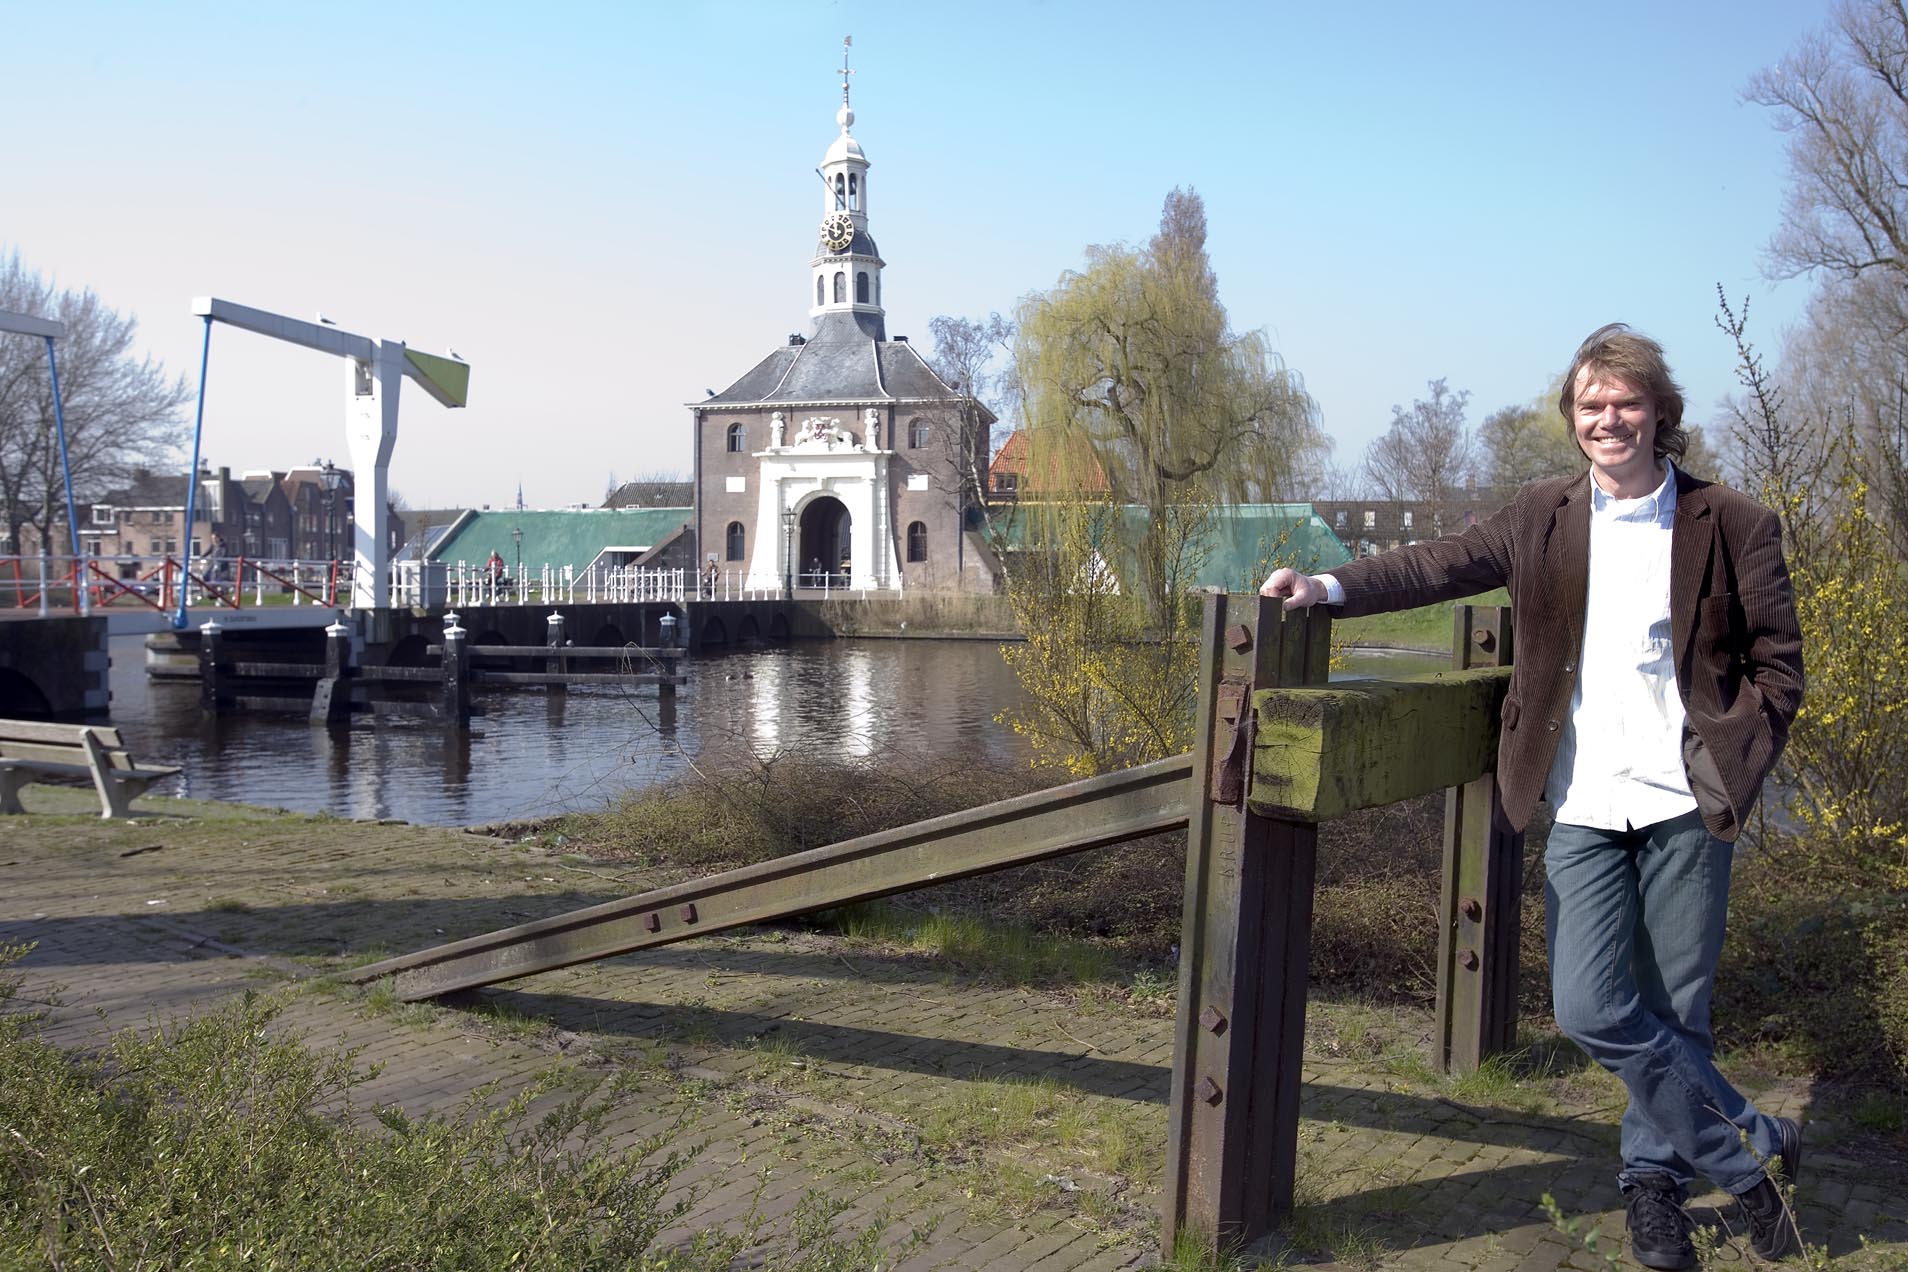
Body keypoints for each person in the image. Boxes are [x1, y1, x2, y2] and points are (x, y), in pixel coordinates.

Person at [1262, 324, 1805, 1269]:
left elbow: (1779, 666)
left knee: (1677, 1015)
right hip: (1582, 803)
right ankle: (1750, 1157)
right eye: (1592, 404)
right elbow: (1435, 564)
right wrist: (1328, 586)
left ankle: (1652, 1188)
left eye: (1627, 402)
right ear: (1573, 418)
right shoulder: (1540, 516)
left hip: (1685, 803)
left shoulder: (1734, 523)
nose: (1610, 419)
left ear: (1660, 413)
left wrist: (1732, 764)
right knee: (1593, 1009)